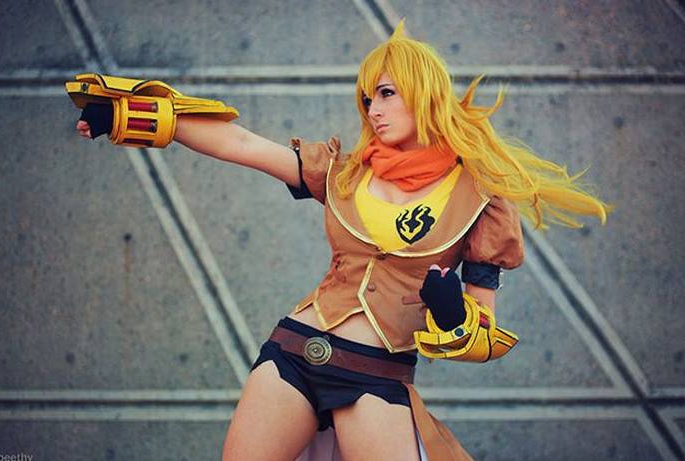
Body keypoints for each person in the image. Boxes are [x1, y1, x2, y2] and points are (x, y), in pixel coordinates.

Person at [71, 20, 612, 461]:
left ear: (424, 94)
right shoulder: (344, 172)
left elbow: (484, 336)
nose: (373, 109)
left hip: (375, 376)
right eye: (367, 97)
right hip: (291, 354)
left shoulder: (481, 199)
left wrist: (452, 315)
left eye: (387, 93)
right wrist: (127, 114)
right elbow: (241, 143)